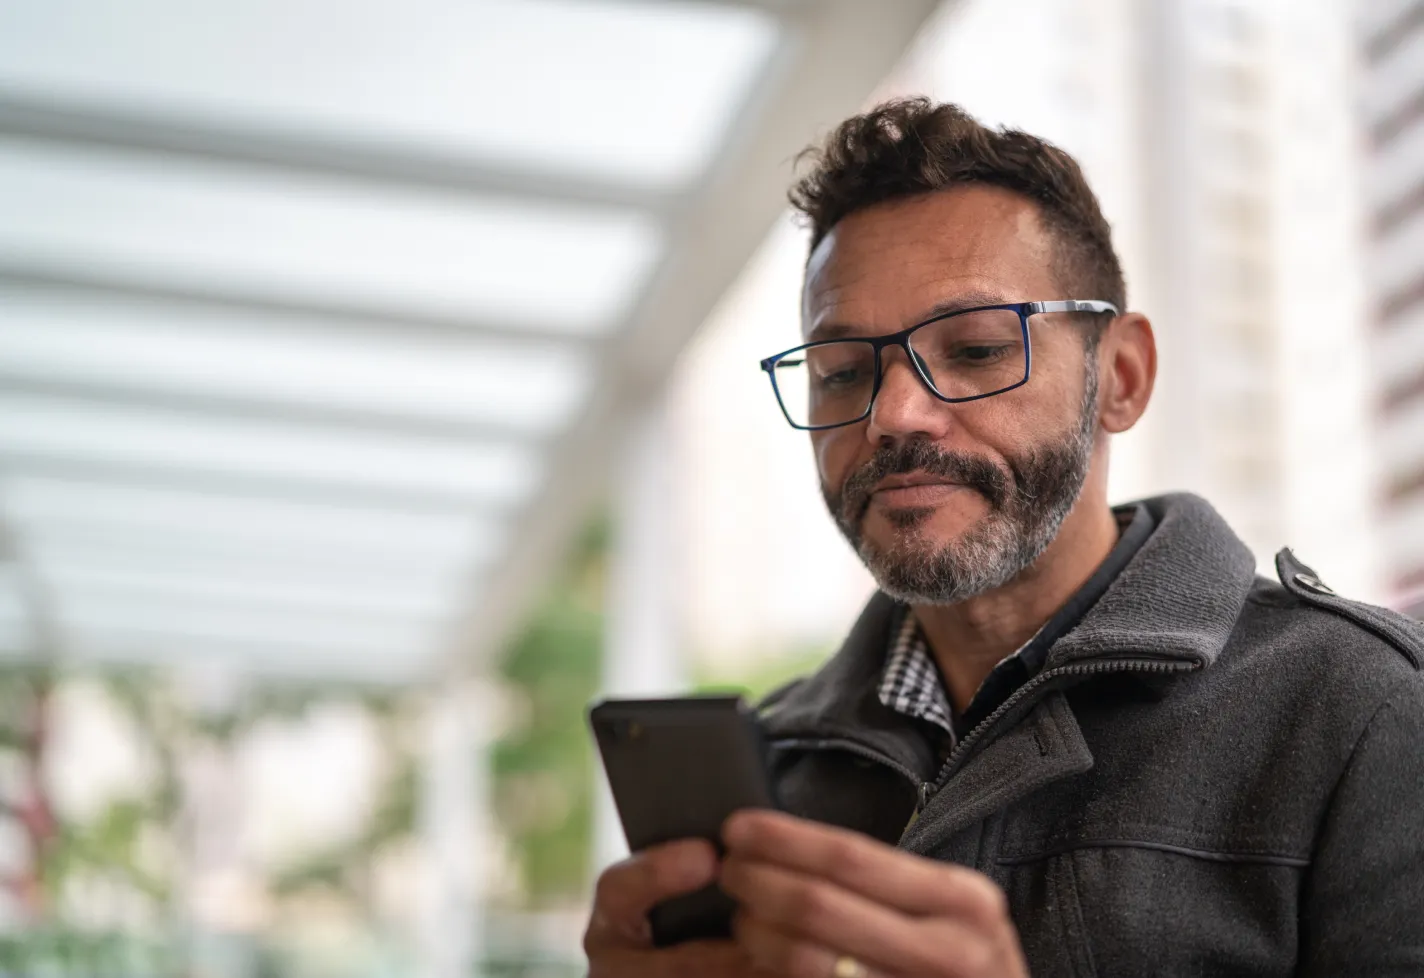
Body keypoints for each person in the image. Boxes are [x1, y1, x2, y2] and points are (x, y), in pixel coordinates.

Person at [583, 98, 1424, 977]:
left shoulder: (1367, 708)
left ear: (1122, 378)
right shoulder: (773, 777)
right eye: (841, 371)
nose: (896, 415)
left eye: (977, 349)